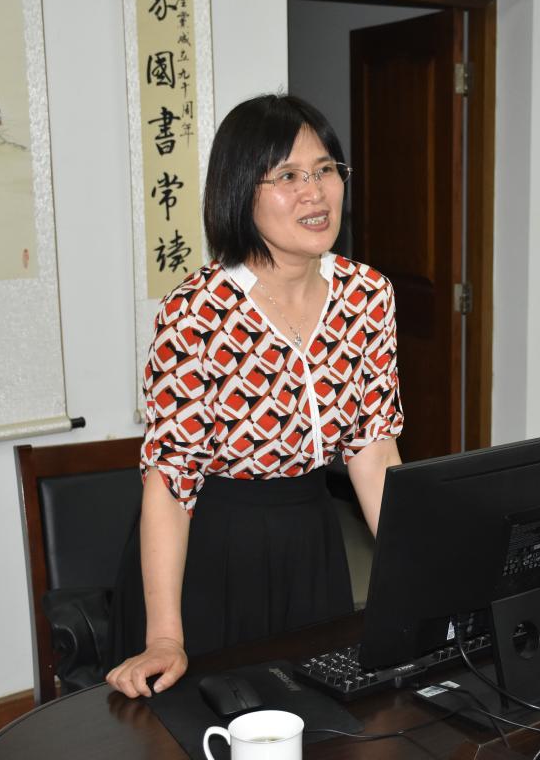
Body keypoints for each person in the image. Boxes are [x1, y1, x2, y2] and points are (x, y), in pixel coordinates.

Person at [106, 94, 403, 698]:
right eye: (288, 176)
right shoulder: (195, 313)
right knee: (209, 725)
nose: (315, 192)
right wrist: (164, 636)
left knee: (323, 719)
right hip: (214, 551)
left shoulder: (367, 296)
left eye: (325, 170)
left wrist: (420, 580)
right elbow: (171, 480)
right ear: (242, 191)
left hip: (313, 541)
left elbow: (373, 452)